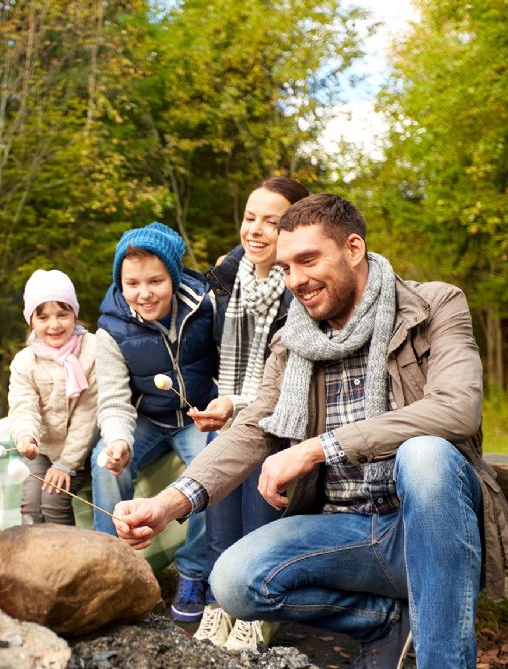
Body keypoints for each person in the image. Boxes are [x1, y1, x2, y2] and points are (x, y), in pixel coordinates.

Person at [112, 194, 508, 667]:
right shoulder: (293, 338)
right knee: (233, 580)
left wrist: (318, 448)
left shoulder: (434, 304)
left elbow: (456, 411)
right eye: (286, 267)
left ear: (353, 248)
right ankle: (382, 623)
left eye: (308, 260)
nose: (296, 281)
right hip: (343, 531)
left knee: (425, 455)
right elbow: (253, 426)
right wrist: (166, 504)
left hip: (429, 526)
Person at [190, 176, 309, 650]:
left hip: (278, 421)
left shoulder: (300, 290)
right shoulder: (225, 279)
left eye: (272, 223)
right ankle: (220, 604)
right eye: (249, 217)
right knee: (219, 519)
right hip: (225, 413)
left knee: (257, 526)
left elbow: (288, 380)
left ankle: (257, 610)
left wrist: (236, 405)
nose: (256, 231)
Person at [91, 222, 218, 622]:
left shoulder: (207, 307)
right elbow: (113, 400)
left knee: (210, 470)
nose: (144, 293)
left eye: (155, 281)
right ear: (121, 283)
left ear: (174, 277)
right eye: (132, 283)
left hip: (198, 417)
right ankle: (112, 568)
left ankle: (194, 573)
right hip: (146, 419)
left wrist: (220, 407)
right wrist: (118, 441)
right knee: (107, 465)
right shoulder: (110, 329)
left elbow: (228, 366)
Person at [8, 269, 98, 525]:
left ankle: (65, 562)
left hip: (81, 450)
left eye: (62, 314)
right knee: (32, 504)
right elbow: (23, 406)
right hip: (44, 447)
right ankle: (34, 559)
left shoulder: (92, 351)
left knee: (53, 497)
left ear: (74, 315)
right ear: (31, 321)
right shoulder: (25, 361)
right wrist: (27, 436)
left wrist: (66, 464)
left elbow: (87, 415)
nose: (54, 324)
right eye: (44, 317)